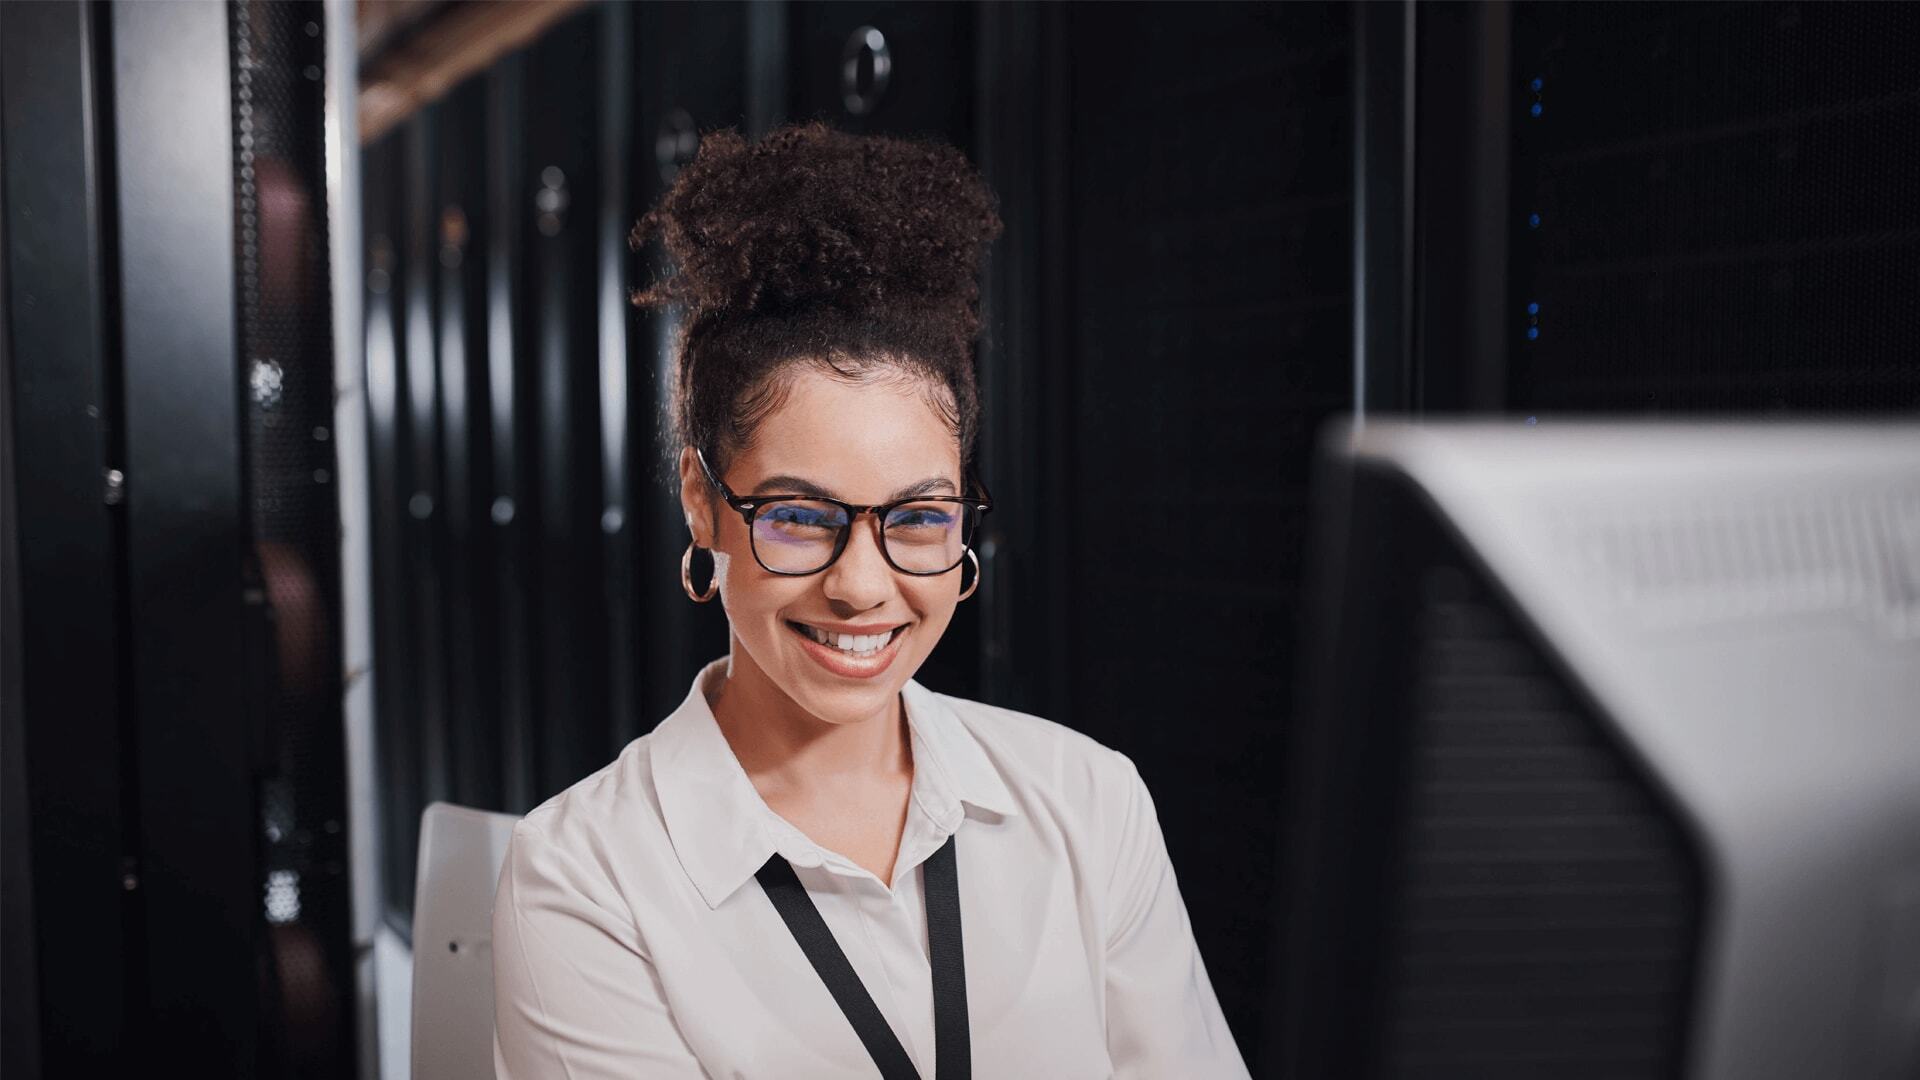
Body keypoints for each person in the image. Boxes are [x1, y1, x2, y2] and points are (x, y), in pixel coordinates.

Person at [491, 120, 1248, 1079]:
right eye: (801, 516)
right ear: (702, 504)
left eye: (920, 518)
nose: (860, 587)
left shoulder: (1087, 803)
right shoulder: (583, 880)